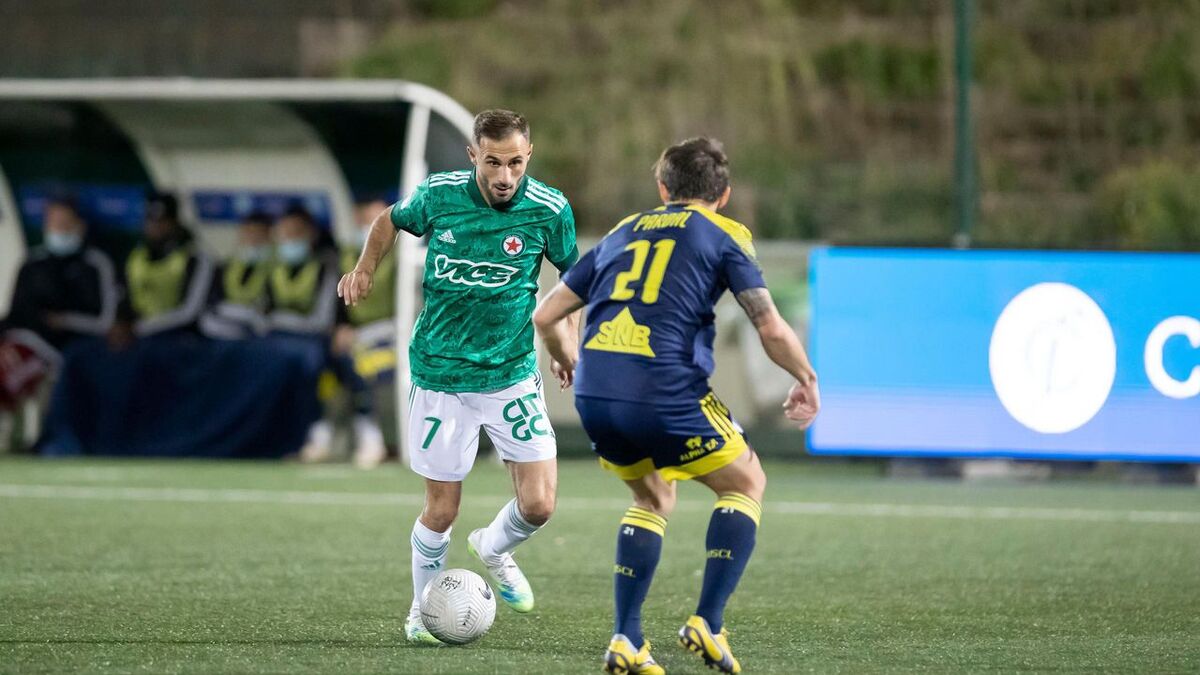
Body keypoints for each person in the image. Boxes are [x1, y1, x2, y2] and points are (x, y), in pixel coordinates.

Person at [533, 138, 820, 674]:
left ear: (663, 189)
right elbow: (769, 325)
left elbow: (546, 316)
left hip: (597, 393)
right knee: (745, 483)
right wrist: (805, 376)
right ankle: (708, 622)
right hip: (664, 388)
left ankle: (626, 638)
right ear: (725, 195)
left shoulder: (621, 231)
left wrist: (570, 360)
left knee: (652, 498)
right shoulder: (727, 235)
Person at [338, 109, 579, 644]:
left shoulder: (549, 209)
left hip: (511, 374)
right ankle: (422, 612)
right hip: (441, 376)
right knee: (442, 509)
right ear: (474, 156)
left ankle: (493, 547)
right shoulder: (440, 195)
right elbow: (388, 222)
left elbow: (572, 281)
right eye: (493, 162)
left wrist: (567, 347)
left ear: (528, 157)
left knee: (539, 505)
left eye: (515, 163)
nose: (505, 176)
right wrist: (364, 268)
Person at [266, 204, 343, 461]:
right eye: (285, 233)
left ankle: (317, 433)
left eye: (296, 233)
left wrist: (277, 320)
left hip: (312, 341)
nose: (290, 239)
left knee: (312, 366)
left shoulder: (326, 268)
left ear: (310, 235)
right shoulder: (273, 269)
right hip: (276, 341)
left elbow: (321, 321)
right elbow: (260, 315)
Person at [332, 198, 397, 469]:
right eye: (368, 221)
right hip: (359, 333)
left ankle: (381, 440)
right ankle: (364, 438)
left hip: (393, 329)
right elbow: (336, 298)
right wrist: (340, 327)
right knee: (345, 366)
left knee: (377, 370)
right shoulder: (345, 254)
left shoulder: (401, 255)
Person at [124, 192, 213, 337]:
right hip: (139, 335)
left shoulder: (195, 256)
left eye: (162, 222)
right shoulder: (137, 256)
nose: (155, 227)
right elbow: (125, 296)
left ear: (175, 222)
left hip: (180, 336)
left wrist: (140, 328)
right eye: (151, 221)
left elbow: (190, 312)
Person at [198, 211, 274, 340]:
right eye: (249, 233)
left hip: (259, 325)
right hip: (227, 320)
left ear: (269, 236)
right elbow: (214, 298)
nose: (253, 239)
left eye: (259, 234)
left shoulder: (276, 266)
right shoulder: (228, 264)